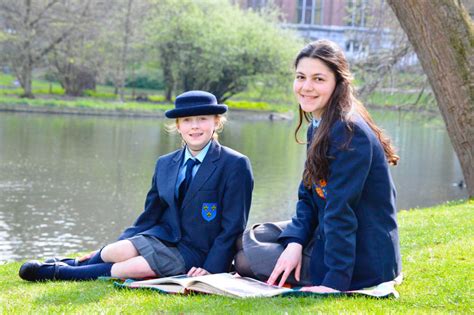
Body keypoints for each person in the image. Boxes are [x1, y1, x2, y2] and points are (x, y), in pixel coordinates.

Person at [19, 90, 254, 281]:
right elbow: (150, 215)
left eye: (202, 119)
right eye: (187, 120)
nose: (195, 126)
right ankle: (67, 262)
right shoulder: (165, 164)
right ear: (178, 126)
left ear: (216, 122)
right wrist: (120, 241)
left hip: (197, 250)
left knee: (133, 268)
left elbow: (232, 227)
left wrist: (210, 268)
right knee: (114, 252)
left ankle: (62, 273)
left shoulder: (235, 164)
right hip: (163, 236)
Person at [235, 40, 401, 293]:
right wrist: (295, 243)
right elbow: (308, 193)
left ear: (338, 83)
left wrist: (334, 283)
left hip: (362, 254)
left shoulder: (348, 131)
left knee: (244, 260)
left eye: (318, 79)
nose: (306, 87)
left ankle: (316, 269)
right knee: (247, 238)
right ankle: (296, 249)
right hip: (324, 229)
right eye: (301, 77)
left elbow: (340, 211)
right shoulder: (321, 124)